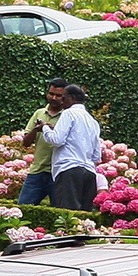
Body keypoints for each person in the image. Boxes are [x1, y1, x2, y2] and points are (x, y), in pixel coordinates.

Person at [42, 83, 101, 211]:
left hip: (69, 170)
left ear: (72, 98)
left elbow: (57, 140)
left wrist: (44, 127)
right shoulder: (93, 122)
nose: (60, 102)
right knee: (85, 218)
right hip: (89, 173)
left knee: (67, 216)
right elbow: (97, 156)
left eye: (63, 98)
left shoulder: (68, 113)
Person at [16, 79, 69, 206]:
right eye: (51, 94)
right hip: (37, 171)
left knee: (60, 214)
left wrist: (52, 130)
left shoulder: (68, 116)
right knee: (23, 208)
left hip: (58, 172)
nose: (54, 98)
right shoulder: (39, 113)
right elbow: (26, 143)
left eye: (58, 95)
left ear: (65, 97)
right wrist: (37, 129)